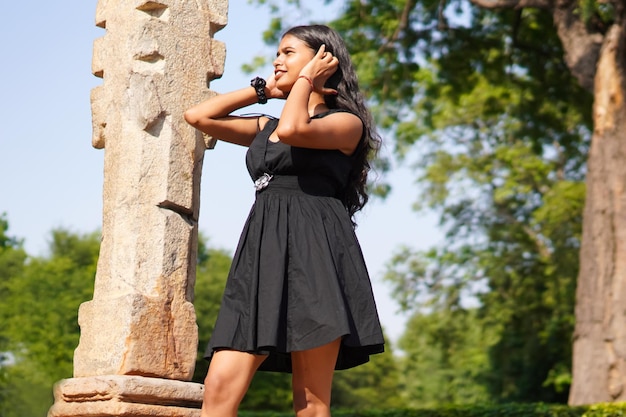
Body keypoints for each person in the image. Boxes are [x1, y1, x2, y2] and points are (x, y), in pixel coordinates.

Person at [184, 24, 385, 417]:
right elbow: (199, 116)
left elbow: (295, 129)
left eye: (289, 52)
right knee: (218, 387)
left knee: (309, 401)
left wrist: (305, 81)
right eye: (278, 53)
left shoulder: (346, 124)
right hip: (261, 255)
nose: (277, 60)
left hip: (316, 256)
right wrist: (264, 92)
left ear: (322, 60)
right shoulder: (266, 127)